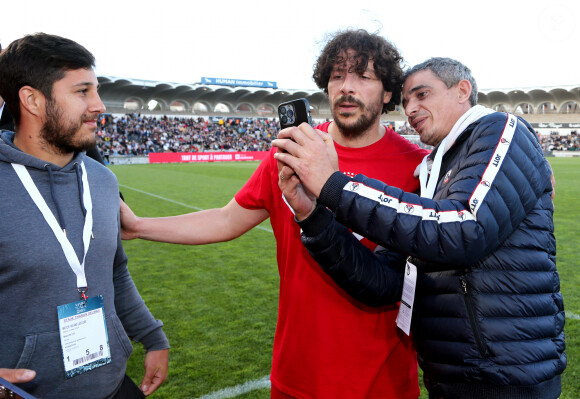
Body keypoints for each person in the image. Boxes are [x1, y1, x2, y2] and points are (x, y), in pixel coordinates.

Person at [121, 29, 428, 399]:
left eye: (363, 76)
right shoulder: (292, 151)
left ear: (388, 91)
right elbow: (225, 220)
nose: (347, 88)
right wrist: (138, 226)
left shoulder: (419, 170)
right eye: (337, 75)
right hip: (296, 379)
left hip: (384, 383)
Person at [273, 57, 566, 399]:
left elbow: (464, 229)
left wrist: (334, 185)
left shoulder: (500, 128)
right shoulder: (434, 173)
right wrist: (313, 217)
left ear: (462, 90)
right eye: (406, 101)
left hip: (507, 380)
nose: (411, 108)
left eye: (422, 94)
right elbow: (381, 282)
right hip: (452, 378)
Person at [0, 33, 169, 398]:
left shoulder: (103, 180)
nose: (99, 105)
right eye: (82, 92)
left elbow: (115, 271)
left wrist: (152, 337)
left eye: (96, 90)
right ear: (31, 100)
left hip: (115, 386)